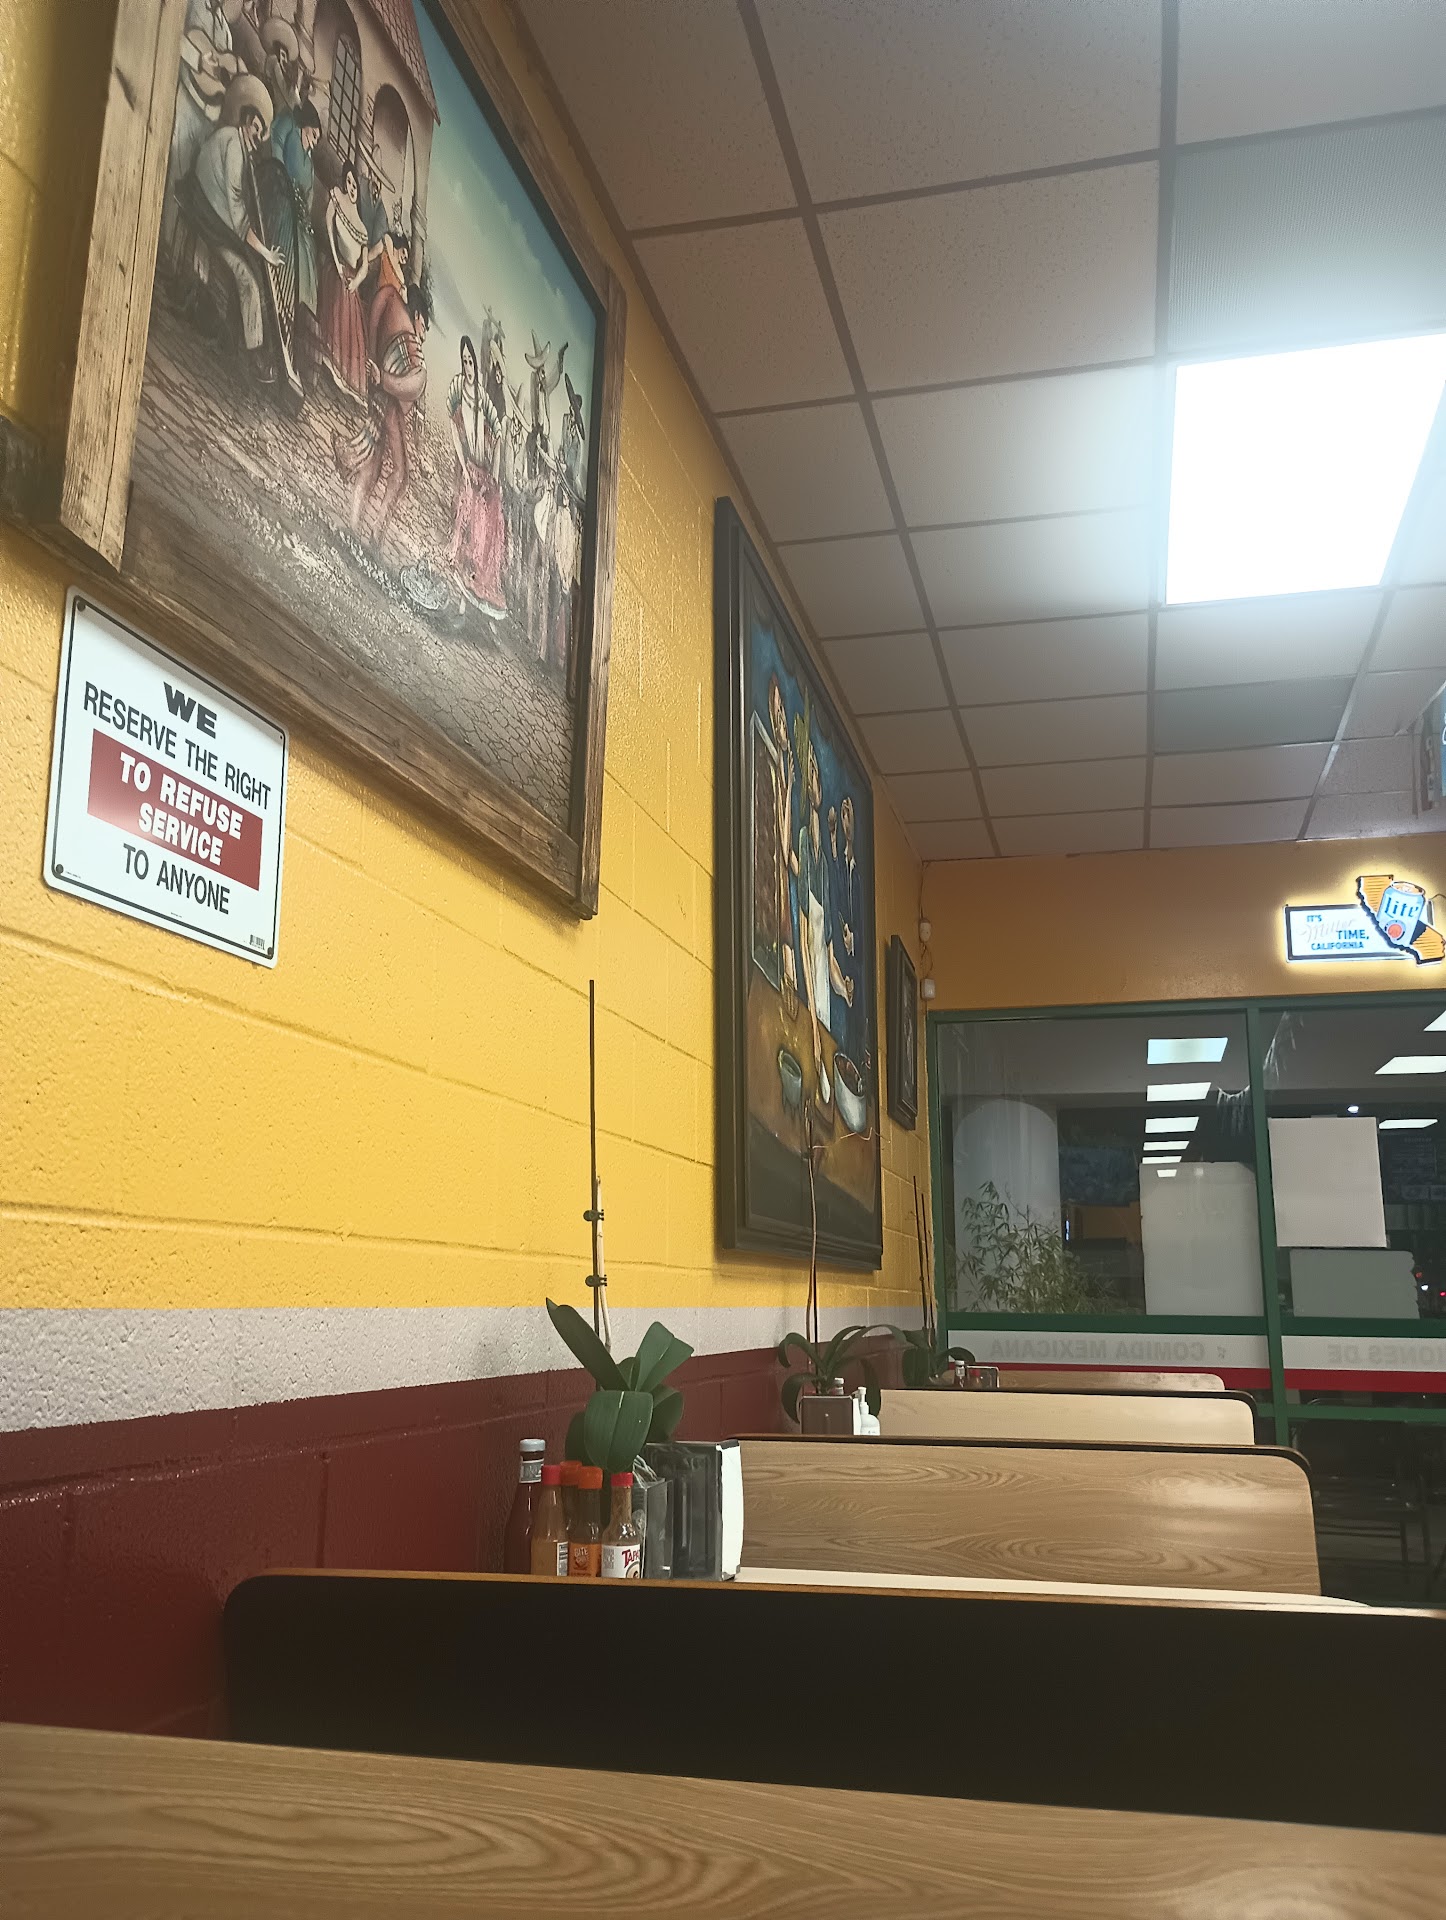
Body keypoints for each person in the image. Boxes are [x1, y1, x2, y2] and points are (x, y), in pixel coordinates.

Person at [183, 74, 284, 378]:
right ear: (247, 122)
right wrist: (265, 253)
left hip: (208, 210)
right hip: (207, 216)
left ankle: (231, 341)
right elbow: (236, 210)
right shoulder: (235, 148)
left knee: (246, 267)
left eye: (261, 133)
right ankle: (255, 356)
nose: (258, 137)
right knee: (249, 279)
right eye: (256, 129)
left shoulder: (232, 139)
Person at [333, 277, 431, 548]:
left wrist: (375, 364)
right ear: (418, 316)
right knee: (399, 474)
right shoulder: (401, 318)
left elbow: (377, 312)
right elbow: (413, 383)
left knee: (375, 465)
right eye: (424, 327)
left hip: (383, 392)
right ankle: (373, 536)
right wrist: (382, 377)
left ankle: (356, 529)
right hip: (387, 398)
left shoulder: (390, 303)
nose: (423, 335)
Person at [163, 0, 237, 265]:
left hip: (209, 119)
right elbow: (175, 35)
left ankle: (176, 258)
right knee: (174, 171)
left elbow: (224, 78)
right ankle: (162, 247)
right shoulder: (194, 5)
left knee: (193, 190)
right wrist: (198, 60)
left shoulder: (225, 32)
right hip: (188, 102)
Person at [446, 335, 508, 617]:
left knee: (493, 516)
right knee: (474, 520)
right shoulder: (458, 391)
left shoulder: (483, 398)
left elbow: (498, 434)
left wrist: (493, 476)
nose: (469, 367)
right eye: (465, 362)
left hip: (485, 474)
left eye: (471, 362)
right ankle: (464, 597)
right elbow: (455, 433)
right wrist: (464, 468)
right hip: (470, 469)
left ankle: (483, 585)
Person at [260, 99, 320, 337]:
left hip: (297, 208)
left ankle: (298, 314)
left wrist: (304, 213)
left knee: (308, 247)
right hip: (279, 192)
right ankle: (282, 302)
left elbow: (309, 195)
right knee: (295, 244)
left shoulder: (310, 164)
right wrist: (283, 182)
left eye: (317, 139)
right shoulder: (289, 129)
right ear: (305, 126)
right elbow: (275, 150)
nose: (314, 141)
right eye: (313, 134)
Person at [316, 163, 370, 401]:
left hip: (351, 277)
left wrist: (356, 281)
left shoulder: (362, 228)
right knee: (337, 299)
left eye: (354, 184)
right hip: (335, 267)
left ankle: (344, 377)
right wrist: (336, 261)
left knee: (351, 317)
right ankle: (328, 363)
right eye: (348, 182)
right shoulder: (337, 197)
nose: (351, 188)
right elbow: (329, 226)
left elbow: (364, 265)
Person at [259, 15, 301, 116]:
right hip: (277, 107)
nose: (284, 58)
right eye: (282, 54)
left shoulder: (285, 67)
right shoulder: (273, 61)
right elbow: (284, 89)